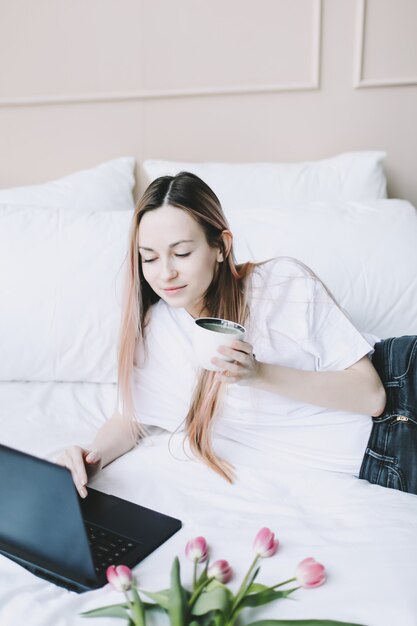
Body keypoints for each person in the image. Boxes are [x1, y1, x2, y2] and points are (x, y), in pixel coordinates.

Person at [58, 172, 387, 498]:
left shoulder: (281, 283)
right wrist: (90, 460)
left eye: (182, 253)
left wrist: (258, 373)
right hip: (379, 463)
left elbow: (372, 396)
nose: (165, 273)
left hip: (400, 398)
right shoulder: (156, 329)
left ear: (221, 246)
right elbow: (131, 418)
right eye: (150, 258)